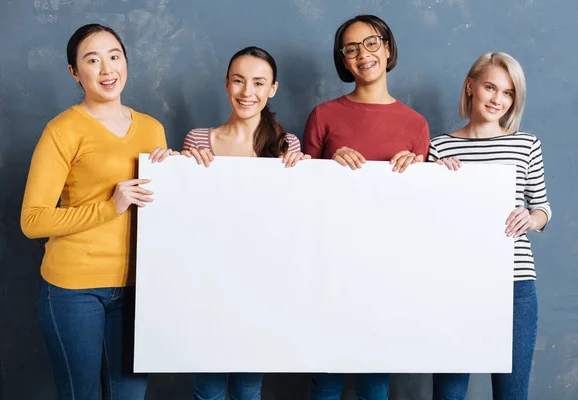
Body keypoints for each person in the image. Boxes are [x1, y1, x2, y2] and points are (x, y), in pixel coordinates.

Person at [20, 23, 174, 400]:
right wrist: (110, 207)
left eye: (114, 56)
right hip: (74, 290)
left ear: (126, 62)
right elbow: (33, 220)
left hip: (139, 288)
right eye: (92, 60)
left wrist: (175, 178)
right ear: (74, 72)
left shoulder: (153, 129)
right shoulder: (62, 130)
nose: (107, 70)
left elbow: (159, 210)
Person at [302, 14, 430, 400]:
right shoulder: (324, 116)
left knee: (376, 381)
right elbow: (299, 192)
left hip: (389, 270)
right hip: (330, 266)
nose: (363, 54)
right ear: (343, 60)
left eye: (372, 43)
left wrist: (421, 174)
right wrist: (327, 164)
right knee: (326, 376)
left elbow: (422, 208)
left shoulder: (416, 124)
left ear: (388, 48)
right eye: (351, 48)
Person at [181, 46, 308, 400]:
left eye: (257, 83)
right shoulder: (199, 139)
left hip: (262, 283)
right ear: (226, 84)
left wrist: (305, 174)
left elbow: (294, 219)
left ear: (272, 89)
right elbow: (184, 214)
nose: (246, 92)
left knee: (249, 389)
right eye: (238, 81)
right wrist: (176, 166)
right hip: (208, 282)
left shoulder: (287, 145)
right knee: (207, 389)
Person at [429, 52, 551, 400]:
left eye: (509, 92)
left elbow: (542, 207)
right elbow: (427, 221)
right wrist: (436, 179)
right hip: (456, 283)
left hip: (515, 282)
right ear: (470, 86)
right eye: (490, 87)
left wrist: (532, 218)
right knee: (449, 392)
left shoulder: (525, 144)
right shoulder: (438, 147)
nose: (499, 99)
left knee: (511, 393)